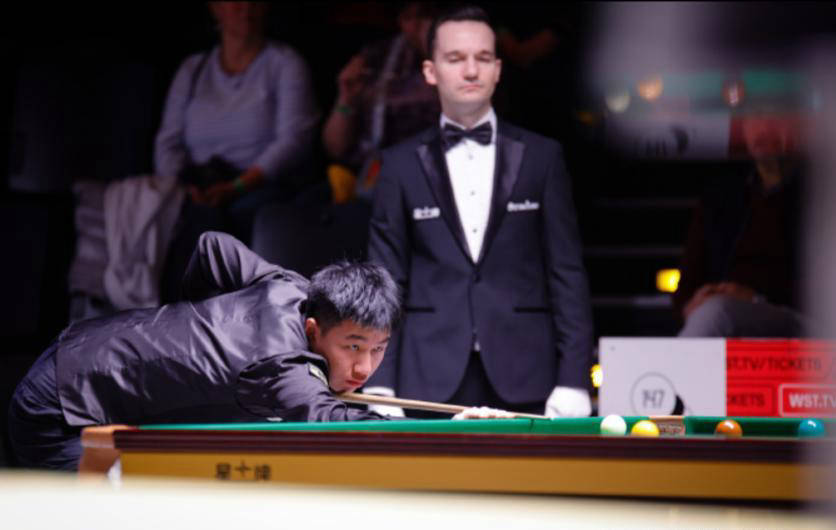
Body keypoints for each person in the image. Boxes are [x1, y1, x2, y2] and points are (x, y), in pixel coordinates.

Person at [365, 5, 594, 418]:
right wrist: (379, 379)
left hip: (528, 370)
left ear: (498, 69)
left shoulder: (543, 157)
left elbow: (567, 274)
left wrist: (574, 378)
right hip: (425, 374)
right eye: (456, 58)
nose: (471, 70)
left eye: (483, 58)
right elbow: (386, 280)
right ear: (431, 71)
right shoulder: (399, 165)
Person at [8, 231, 399, 471]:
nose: (364, 368)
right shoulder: (283, 369)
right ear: (313, 329)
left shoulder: (290, 287)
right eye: (353, 346)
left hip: (80, 350)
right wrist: (431, 432)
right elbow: (331, 419)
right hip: (61, 408)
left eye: (379, 348)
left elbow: (213, 246)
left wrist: (194, 318)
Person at [155, 2, 319, 300]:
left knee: (220, 222)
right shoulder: (193, 69)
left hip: (257, 184)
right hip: (197, 183)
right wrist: (182, 187)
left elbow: (294, 139)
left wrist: (237, 186)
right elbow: (168, 141)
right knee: (180, 216)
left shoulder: (284, 63)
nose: (246, 8)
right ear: (215, 9)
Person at [674, 107, 806, 337]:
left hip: (806, 320)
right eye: (753, 118)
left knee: (716, 313)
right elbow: (686, 287)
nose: (764, 128)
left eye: (775, 116)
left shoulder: (822, 196)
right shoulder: (721, 197)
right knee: (711, 312)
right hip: (728, 317)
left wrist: (755, 298)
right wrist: (694, 301)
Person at [321, 2, 440, 202]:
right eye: (407, 17)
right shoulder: (377, 56)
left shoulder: (467, 59)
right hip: (372, 172)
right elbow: (335, 147)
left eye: (425, 15)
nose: (416, 25)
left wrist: (436, 52)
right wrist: (346, 98)